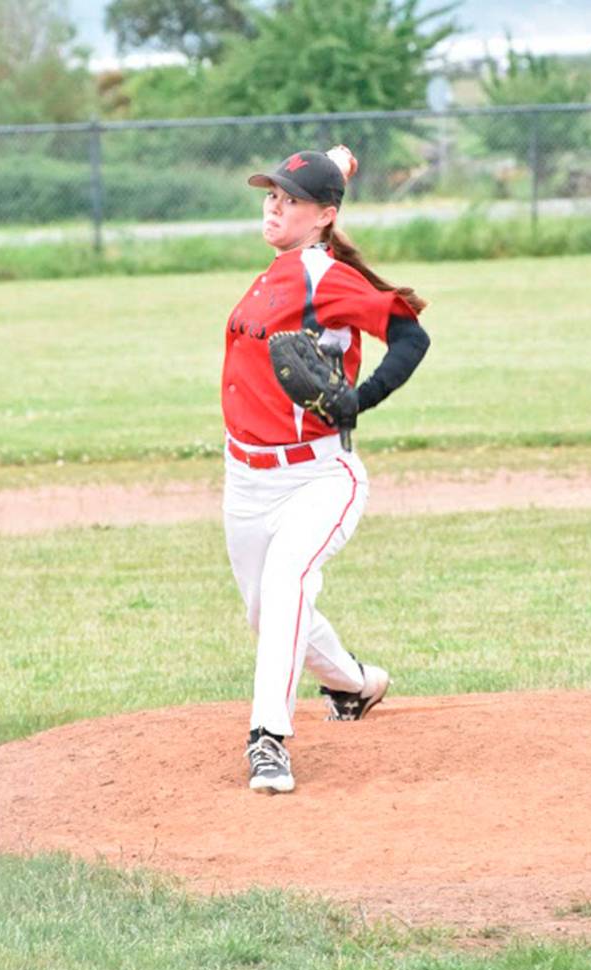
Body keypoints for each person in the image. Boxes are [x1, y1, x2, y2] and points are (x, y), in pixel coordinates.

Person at [222, 145, 430, 793]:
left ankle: (268, 738)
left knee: (288, 582)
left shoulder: (325, 276)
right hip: (245, 480)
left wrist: (361, 399)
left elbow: (411, 335)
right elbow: (321, 177)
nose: (273, 206)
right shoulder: (277, 271)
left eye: (290, 199)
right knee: (266, 614)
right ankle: (355, 683)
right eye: (271, 194)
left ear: (324, 217)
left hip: (317, 477)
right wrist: (330, 168)